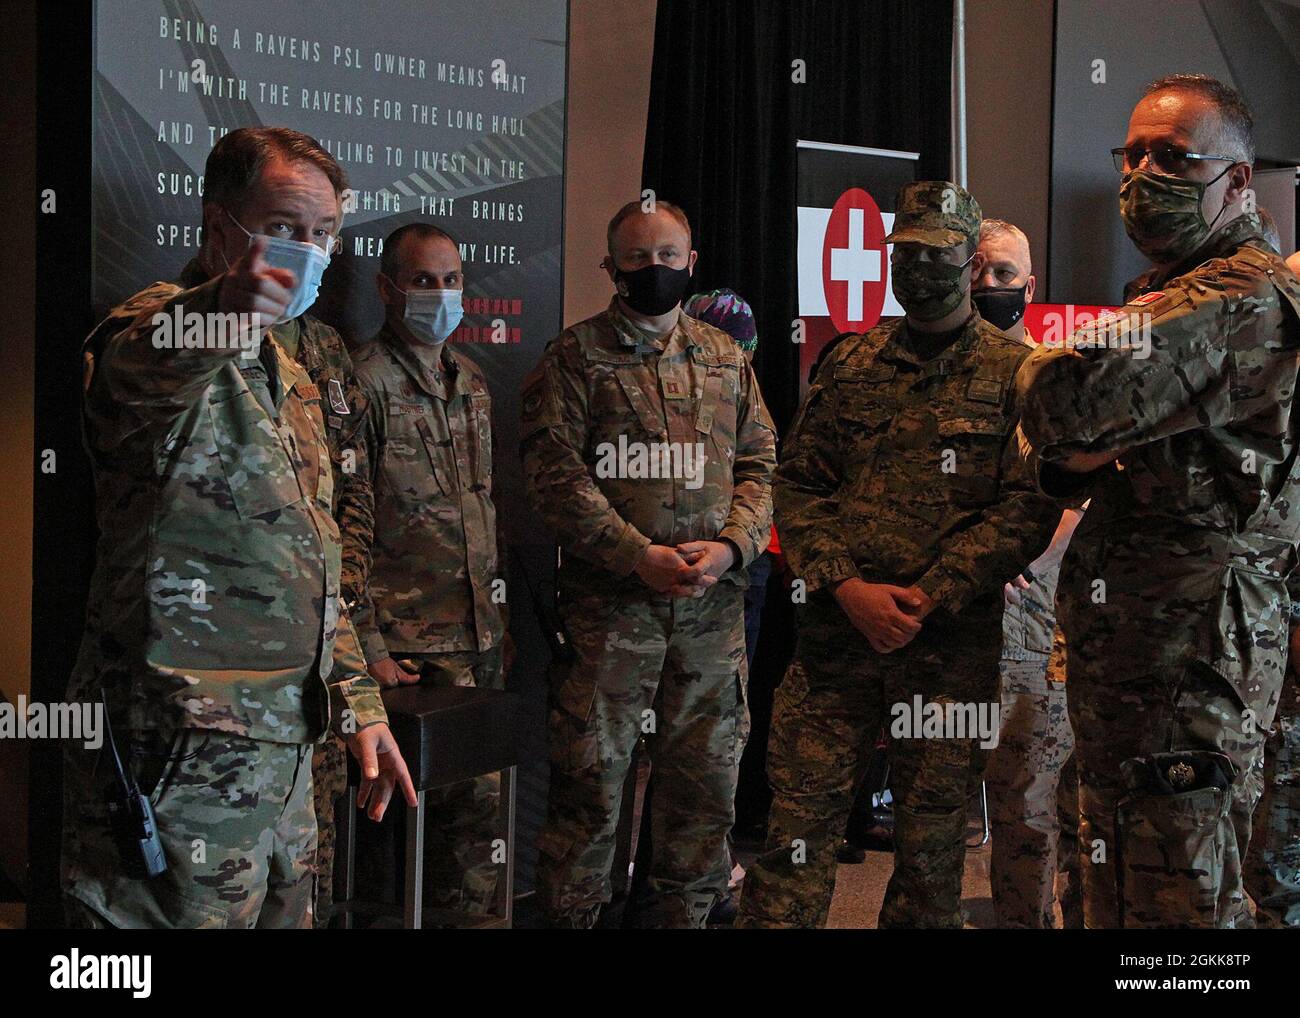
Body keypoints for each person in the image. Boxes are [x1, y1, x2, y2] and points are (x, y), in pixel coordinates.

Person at [61, 127, 415, 929]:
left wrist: (360, 708)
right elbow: (137, 372)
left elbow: (316, 564)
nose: (309, 252)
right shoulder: (159, 329)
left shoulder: (290, 376)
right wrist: (226, 309)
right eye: (286, 228)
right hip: (178, 761)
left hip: (288, 763)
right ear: (222, 229)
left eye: (324, 234)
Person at [1016, 74, 1300, 927]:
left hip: (1190, 657)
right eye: (1133, 155)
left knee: (1176, 904)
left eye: (1175, 158)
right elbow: (1058, 453)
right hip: (1136, 656)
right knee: (1114, 878)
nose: (1142, 176)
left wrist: (1071, 430)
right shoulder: (1170, 295)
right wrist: (1072, 452)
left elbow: (1052, 394)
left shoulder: (1243, 297)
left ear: (1238, 181)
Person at [738, 181, 1059, 928]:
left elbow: (1028, 504)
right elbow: (800, 484)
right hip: (835, 643)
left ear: (967, 257)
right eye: (905, 252)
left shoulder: (1015, 375)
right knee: (797, 833)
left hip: (947, 647)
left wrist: (932, 594)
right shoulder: (850, 364)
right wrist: (849, 587)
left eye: (940, 252)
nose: (920, 266)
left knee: (931, 850)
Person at [521, 199, 776, 928]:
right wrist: (638, 557)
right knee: (589, 798)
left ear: (691, 264)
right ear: (612, 267)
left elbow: (762, 462)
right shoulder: (572, 358)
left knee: (702, 796)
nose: (654, 270)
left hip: (711, 619)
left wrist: (730, 547)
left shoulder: (727, 360)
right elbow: (555, 479)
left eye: (668, 257)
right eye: (637, 258)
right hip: (611, 619)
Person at [350, 222, 508, 914]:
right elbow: (339, 533)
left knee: (474, 844)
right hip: (403, 659)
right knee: (391, 849)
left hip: (474, 647)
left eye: (451, 281)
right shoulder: (362, 386)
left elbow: (480, 510)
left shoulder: (470, 383)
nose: (440, 295)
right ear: (388, 289)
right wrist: (371, 650)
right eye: (423, 281)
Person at [973, 218, 1084, 928]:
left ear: (1031, 287)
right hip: (946, 620)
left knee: (1032, 806)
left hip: (1035, 625)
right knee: (938, 804)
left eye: (1005, 274)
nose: (989, 285)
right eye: (978, 270)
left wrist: (1030, 555)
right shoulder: (929, 380)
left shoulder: (1053, 378)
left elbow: (1089, 493)